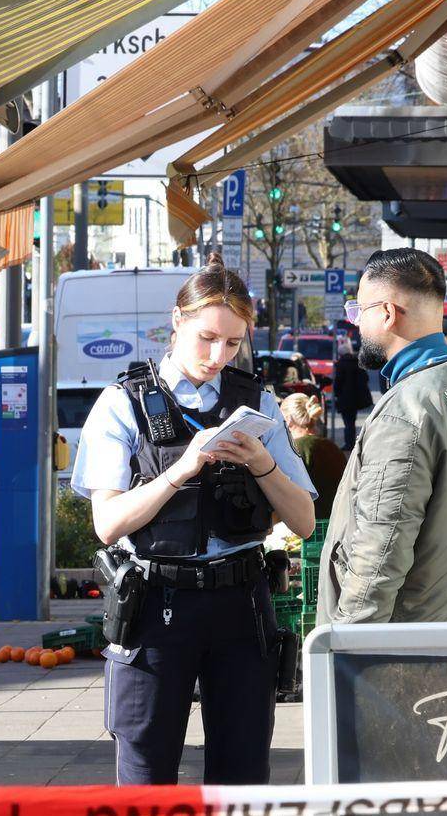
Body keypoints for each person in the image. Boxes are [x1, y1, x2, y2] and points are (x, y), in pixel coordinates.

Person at [70, 252, 318, 786]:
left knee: (243, 772)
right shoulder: (124, 404)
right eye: (207, 337)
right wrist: (181, 469)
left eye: (233, 343)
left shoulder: (259, 404)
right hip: (156, 602)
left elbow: (303, 520)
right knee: (146, 771)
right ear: (177, 320)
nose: (218, 355)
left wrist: (262, 462)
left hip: (240, 601)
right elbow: (107, 524)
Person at [319, 249, 447, 626]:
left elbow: (381, 548)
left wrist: (346, 646)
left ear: (388, 313)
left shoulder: (406, 411)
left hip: (409, 648)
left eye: (359, 312)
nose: (355, 324)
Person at [280, 393, 345, 522]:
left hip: (308, 527)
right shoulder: (331, 446)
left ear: (288, 419)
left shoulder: (295, 450)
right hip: (336, 524)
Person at [331, 349, 372, 450]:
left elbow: (338, 382)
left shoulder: (340, 365)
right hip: (356, 398)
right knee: (351, 422)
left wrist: (336, 393)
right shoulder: (358, 364)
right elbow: (365, 378)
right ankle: (351, 442)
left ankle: (349, 444)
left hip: (345, 398)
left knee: (348, 422)